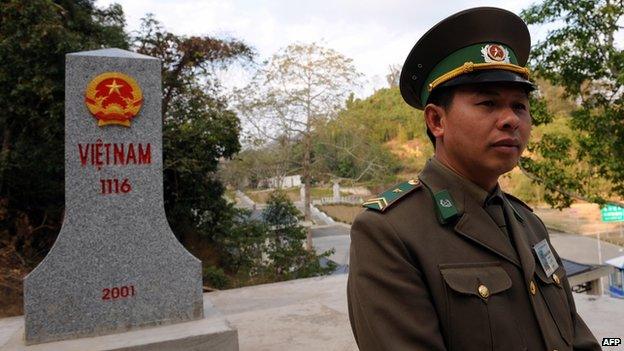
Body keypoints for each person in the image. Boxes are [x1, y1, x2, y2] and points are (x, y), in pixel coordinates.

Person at [347, 7, 601, 351]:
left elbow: (575, 336)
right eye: (487, 103)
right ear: (437, 120)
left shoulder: (528, 223)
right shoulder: (390, 231)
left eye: (520, 106)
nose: (511, 119)